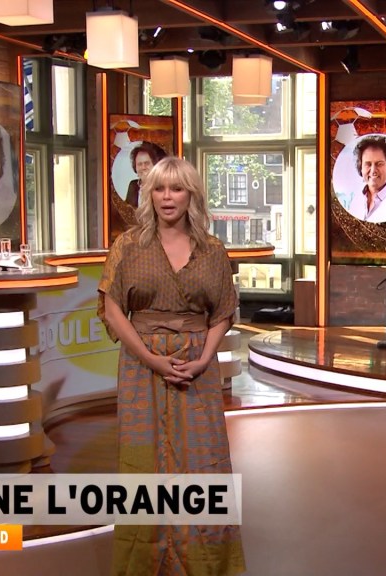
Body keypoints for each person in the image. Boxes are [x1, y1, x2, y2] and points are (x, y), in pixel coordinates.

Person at [98, 157, 245, 575]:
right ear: (149, 194)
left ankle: (204, 560)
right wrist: (150, 359)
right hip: (140, 366)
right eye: (160, 188)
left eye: (176, 189)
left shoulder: (212, 250)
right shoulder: (128, 245)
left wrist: (204, 360)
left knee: (202, 461)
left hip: (196, 368)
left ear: (190, 195)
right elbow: (112, 308)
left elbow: (223, 312)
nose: (167, 197)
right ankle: (146, 560)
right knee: (143, 462)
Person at [110, 141, 168, 240]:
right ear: (135, 167)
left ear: (155, 165)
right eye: (139, 164)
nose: (143, 167)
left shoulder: (164, 187)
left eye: (147, 163)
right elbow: (129, 213)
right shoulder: (133, 185)